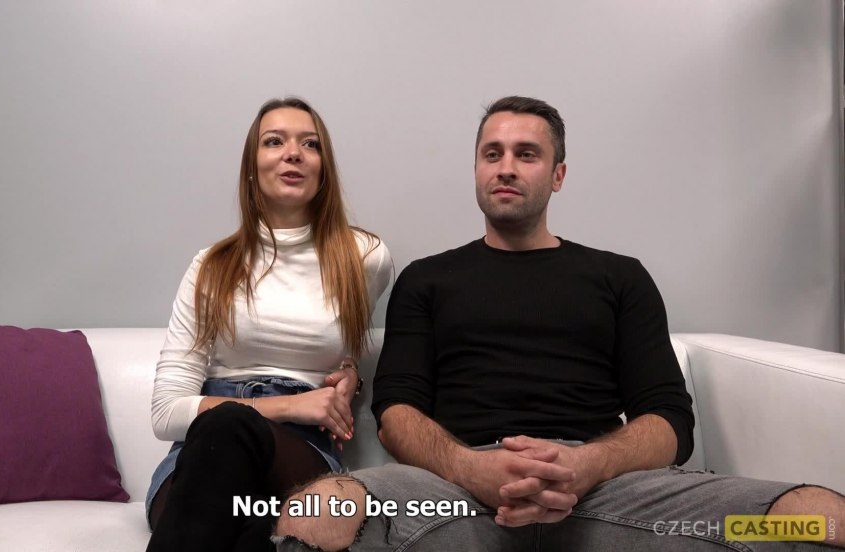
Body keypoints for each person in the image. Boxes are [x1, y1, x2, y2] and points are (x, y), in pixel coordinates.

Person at [273, 96, 845, 551]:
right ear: (476, 169)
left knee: (815, 520)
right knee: (315, 515)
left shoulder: (619, 277)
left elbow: (671, 420)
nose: (506, 167)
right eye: (492, 154)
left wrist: (584, 465)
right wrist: (473, 469)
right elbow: (396, 412)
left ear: (558, 174)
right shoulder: (426, 279)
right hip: (450, 498)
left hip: (609, 498)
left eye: (527, 154)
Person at [145, 97, 394, 552]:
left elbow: (346, 348)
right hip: (204, 455)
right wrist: (291, 406)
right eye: (274, 142)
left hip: (300, 456)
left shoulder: (364, 257)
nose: (293, 153)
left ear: (323, 169)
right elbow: (166, 412)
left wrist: (350, 375)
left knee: (237, 502)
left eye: (310, 144)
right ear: (251, 167)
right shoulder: (211, 266)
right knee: (234, 471)